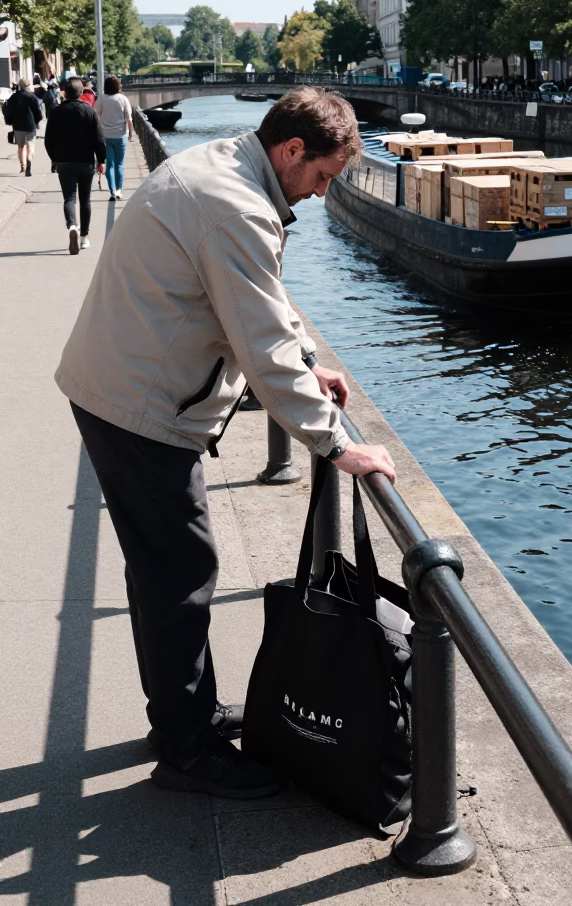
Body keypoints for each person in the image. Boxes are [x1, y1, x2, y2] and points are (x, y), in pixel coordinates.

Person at [55, 88, 396, 800]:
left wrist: (308, 360)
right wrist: (339, 447)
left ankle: (189, 714)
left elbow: (256, 302)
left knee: (164, 568)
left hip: (124, 383)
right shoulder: (235, 206)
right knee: (180, 571)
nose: (323, 190)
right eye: (324, 175)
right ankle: (185, 747)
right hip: (138, 402)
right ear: (291, 150)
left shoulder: (226, 168)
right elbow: (261, 340)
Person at [44, 76, 106, 253]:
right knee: (85, 199)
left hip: (64, 161)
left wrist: (54, 158)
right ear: (81, 92)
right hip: (85, 161)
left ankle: (72, 225)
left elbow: (48, 140)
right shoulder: (89, 111)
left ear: (64, 92)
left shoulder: (56, 112)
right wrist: (101, 159)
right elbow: (99, 139)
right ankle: (84, 237)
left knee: (69, 198)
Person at [96, 75, 134, 199]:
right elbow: (128, 118)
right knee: (119, 165)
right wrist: (131, 133)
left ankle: (112, 190)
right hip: (120, 135)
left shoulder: (101, 98)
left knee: (109, 165)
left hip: (106, 136)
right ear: (118, 86)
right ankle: (119, 190)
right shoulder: (123, 99)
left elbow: (96, 114)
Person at [3, 75, 43, 176]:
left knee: (21, 147)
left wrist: (9, 121)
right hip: (30, 125)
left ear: (19, 86)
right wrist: (37, 122)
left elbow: (8, 111)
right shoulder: (32, 97)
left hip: (17, 126)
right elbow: (38, 112)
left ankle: (23, 167)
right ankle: (29, 160)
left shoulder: (13, 97)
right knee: (31, 145)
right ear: (28, 86)